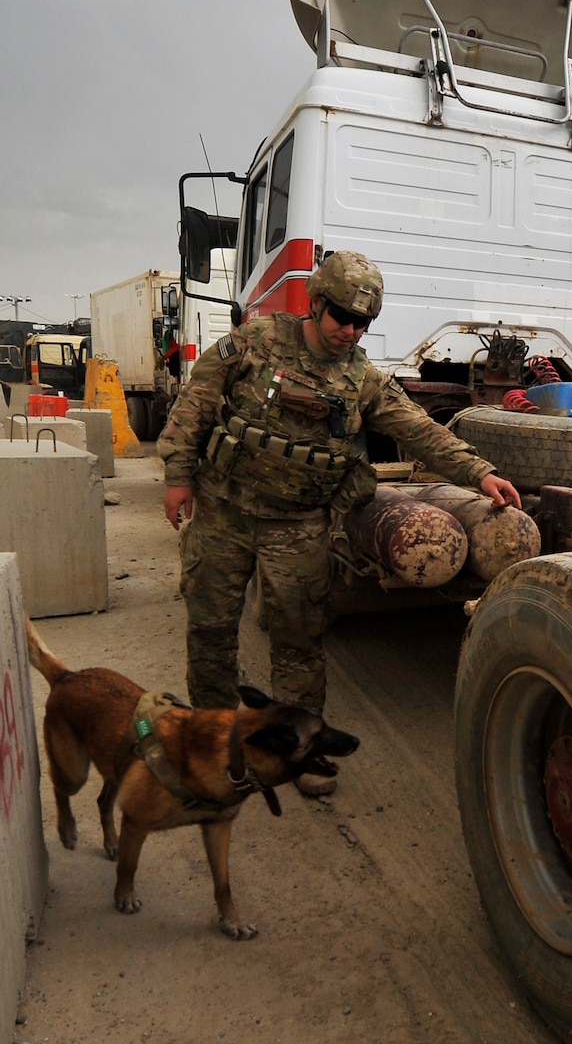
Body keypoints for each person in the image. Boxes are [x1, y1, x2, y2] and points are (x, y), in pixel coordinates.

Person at [157, 251, 519, 793]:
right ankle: (212, 744)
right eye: (341, 317)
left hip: (298, 525)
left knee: (299, 641)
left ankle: (295, 754)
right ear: (316, 304)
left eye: (362, 323)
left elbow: (420, 431)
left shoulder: (362, 379)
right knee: (210, 631)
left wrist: (480, 473)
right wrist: (178, 476)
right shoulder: (253, 343)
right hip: (223, 512)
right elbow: (196, 404)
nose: (350, 330)